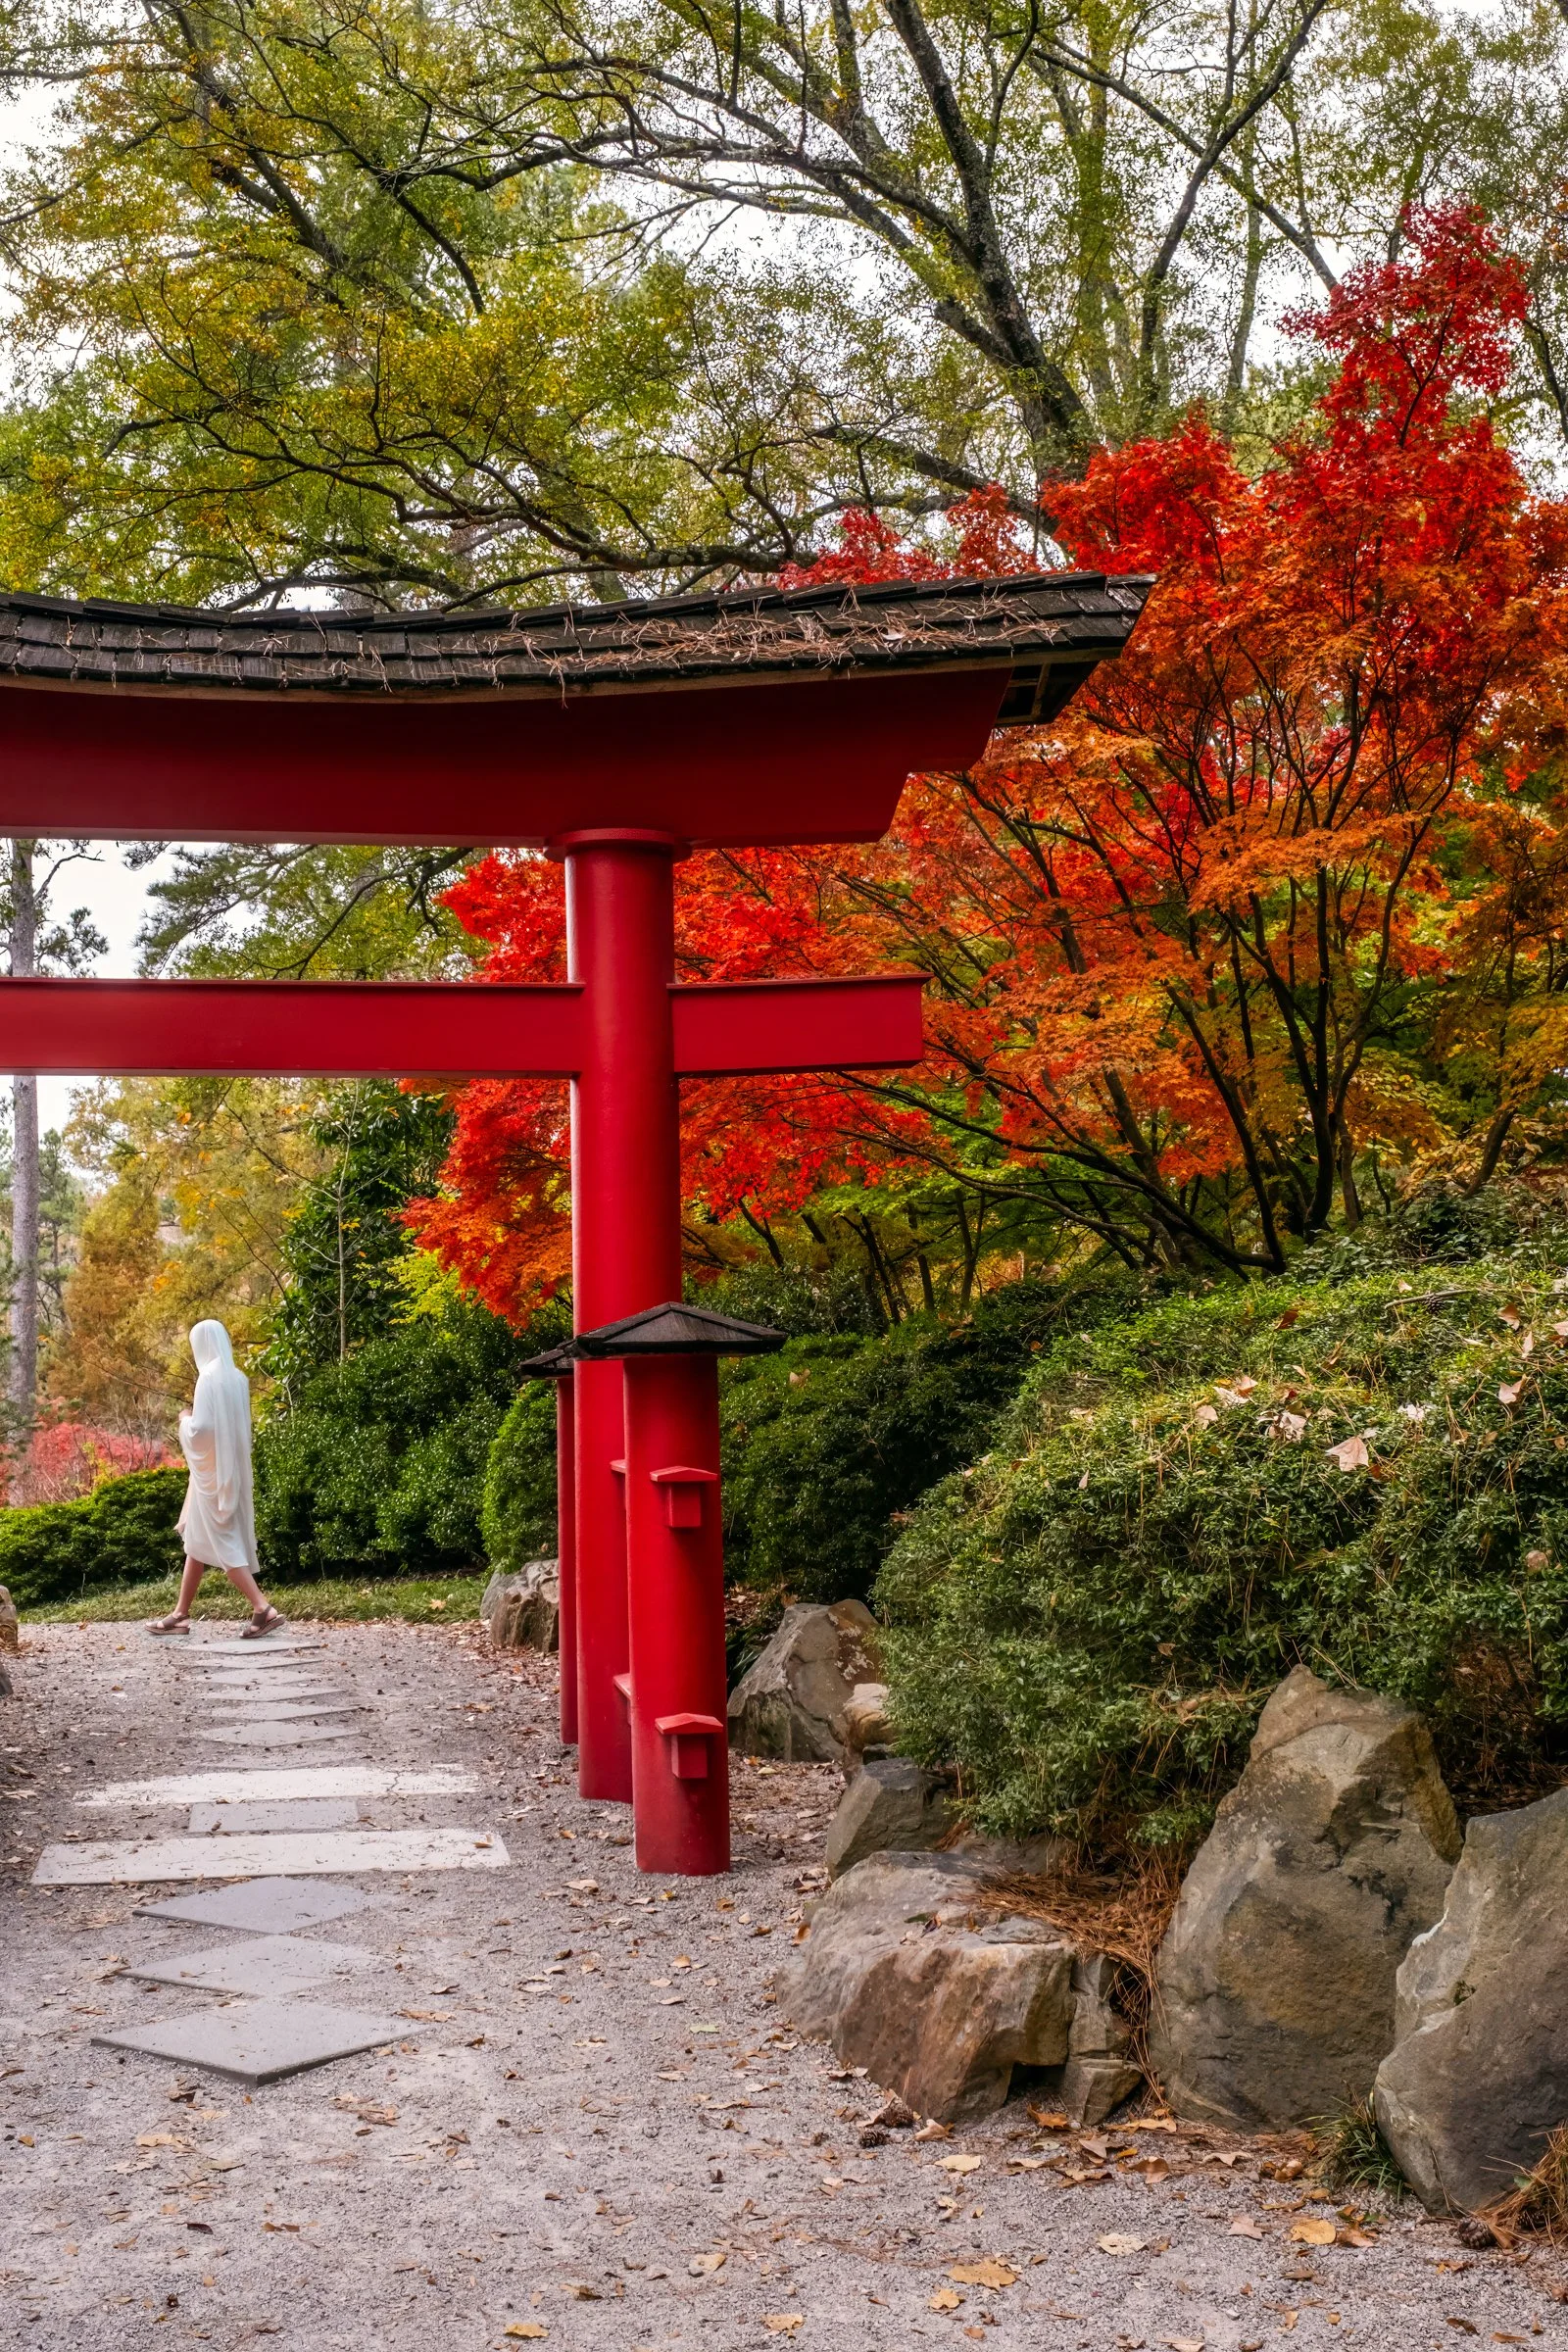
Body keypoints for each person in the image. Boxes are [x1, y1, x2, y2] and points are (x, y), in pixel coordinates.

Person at [148, 1319, 285, 1638]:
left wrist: (185, 1421)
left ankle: (263, 1608)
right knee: (196, 1542)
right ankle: (180, 1614)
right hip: (229, 1470)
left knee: (224, 1543)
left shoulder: (208, 1378)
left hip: (211, 1478)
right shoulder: (238, 1378)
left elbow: (202, 1431)